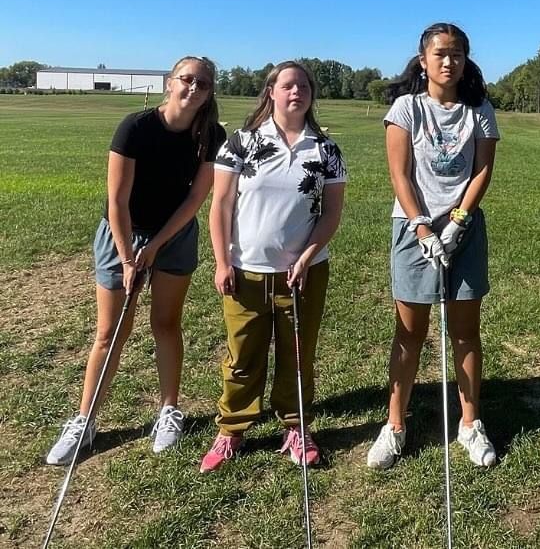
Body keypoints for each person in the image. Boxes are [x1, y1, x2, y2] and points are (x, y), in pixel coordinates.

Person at [46, 56, 225, 465]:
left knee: (165, 323)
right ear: (169, 83)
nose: (193, 88)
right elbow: (117, 200)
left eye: (203, 83)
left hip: (174, 236)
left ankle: (168, 410)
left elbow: (196, 199)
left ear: (210, 91)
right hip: (121, 232)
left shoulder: (211, 135)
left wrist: (158, 244)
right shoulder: (136, 127)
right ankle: (85, 420)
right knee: (110, 332)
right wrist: (128, 257)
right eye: (186, 79)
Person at [199, 61, 346, 473]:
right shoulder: (241, 142)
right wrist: (221, 261)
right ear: (271, 93)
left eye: (303, 86)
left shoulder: (326, 150)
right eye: (287, 85)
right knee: (242, 356)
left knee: (297, 355)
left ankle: (296, 427)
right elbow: (222, 205)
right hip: (244, 271)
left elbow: (331, 214)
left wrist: (305, 256)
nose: (296, 91)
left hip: (304, 273)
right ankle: (232, 429)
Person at [366, 23, 499, 470]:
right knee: (410, 332)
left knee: (465, 330)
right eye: (440, 53)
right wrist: (423, 228)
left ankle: (469, 424)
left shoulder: (479, 109)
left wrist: (458, 220)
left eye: (458, 53)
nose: (449, 61)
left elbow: (482, 170)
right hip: (413, 229)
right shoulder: (406, 107)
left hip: (463, 228)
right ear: (423, 60)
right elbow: (400, 174)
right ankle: (395, 425)